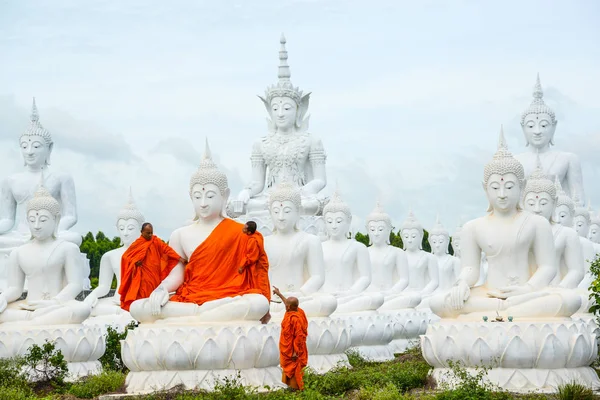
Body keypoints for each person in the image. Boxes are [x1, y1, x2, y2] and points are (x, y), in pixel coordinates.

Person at [119, 222, 186, 312]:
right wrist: (135, 262)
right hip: (143, 276)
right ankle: (141, 316)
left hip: (155, 274)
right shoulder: (137, 244)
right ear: (141, 232)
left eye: (151, 232)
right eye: (148, 233)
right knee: (142, 296)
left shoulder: (155, 240)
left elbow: (166, 249)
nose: (150, 235)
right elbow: (125, 257)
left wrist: (179, 258)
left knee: (154, 294)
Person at [273, 286, 308, 391]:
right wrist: (279, 294)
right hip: (287, 348)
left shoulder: (296, 319)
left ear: (289, 307)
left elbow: (299, 336)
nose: (285, 306)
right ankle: (288, 387)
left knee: (294, 367)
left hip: (293, 350)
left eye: (287, 305)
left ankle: (296, 389)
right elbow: (287, 302)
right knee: (287, 367)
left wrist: (295, 352)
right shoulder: (296, 310)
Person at [238, 220, 272, 324]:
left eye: (245, 228)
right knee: (261, 287)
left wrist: (242, 265)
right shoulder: (258, 235)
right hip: (259, 266)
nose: (242, 228)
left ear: (249, 232)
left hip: (258, 267)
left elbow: (252, 257)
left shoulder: (253, 240)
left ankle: (265, 313)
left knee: (262, 289)